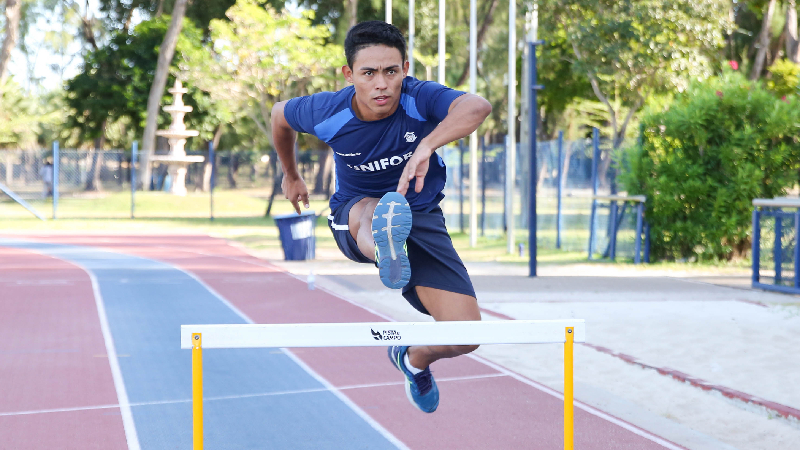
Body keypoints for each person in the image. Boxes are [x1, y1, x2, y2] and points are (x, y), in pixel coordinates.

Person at [271, 20, 492, 413]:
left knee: (466, 335)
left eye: (391, 71)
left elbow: (476, 106)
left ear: (405, 68)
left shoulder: (418, 98)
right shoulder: (326, 110)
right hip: (356, 210)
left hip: (420, 216)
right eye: (368, 73)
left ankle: (412, 357)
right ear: (349, 74)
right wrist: (291, 175)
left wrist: (427, 143)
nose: (382, 84)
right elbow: (279, 116)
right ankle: (384, 250)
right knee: (375, 209)